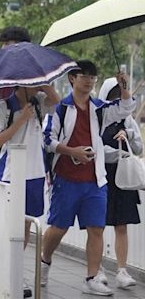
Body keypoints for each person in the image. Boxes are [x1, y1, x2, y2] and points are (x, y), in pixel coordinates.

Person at [41, 61, 135, 296]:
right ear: (72, 78)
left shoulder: (99, 108)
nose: (89, 80)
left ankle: (91, 277)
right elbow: (47, 140)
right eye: (84, 76)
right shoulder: (61, 108)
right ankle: (44, 260)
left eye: (93, 77)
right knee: (59, 227)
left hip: (96, 180)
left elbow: (124, 108)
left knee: (96, 228)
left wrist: (124, 86)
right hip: (66, 179)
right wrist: (72, 151)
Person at [0, 84, 60, 298]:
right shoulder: (4, 106)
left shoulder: (39, 100)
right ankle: (6, 271)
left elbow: (57, 101)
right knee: (12, 224)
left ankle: (17, 271)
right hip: (12, 172)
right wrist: (21, 119)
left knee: (27, 224)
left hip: (35, 172)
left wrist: (46, 86)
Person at [96, 77, 142, 289]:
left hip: (123, 177)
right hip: (102, 174)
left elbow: (139, 148)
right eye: (112, 95)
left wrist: (129, 134)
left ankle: (122, 270)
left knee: (121, 224)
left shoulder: (128, 119)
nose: (116, 100)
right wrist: (117, 152)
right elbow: (95, 148)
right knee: (96, 224)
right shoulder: (98, 118)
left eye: (119, 95)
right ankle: (96, 268)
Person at [0, 26, 31, 112]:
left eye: (6, 43)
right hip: (2, 121)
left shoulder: (33, 72)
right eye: (3, 44)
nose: (3, 47)